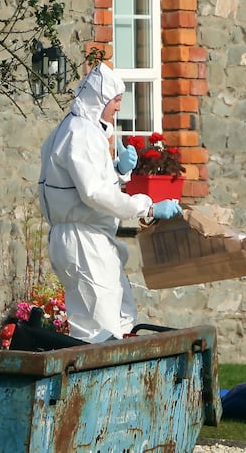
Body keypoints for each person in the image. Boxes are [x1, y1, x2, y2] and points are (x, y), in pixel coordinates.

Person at [38, 62, 182, 343]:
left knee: (120, 314)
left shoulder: (79, 129)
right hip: (83, 239)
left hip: (89, 236)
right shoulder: (80, 133)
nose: (118, 108)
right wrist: (147, 206)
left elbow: (80, 182)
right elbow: (93, 193)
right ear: (100, 99)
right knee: (99, 328)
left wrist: (116, 170)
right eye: (116, 100)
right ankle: (99, 385)